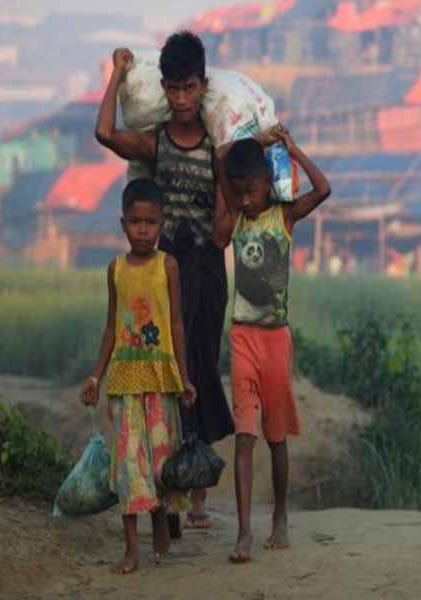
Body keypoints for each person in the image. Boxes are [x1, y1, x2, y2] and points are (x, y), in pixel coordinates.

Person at [95, 31, 234, 532]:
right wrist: (116, 74)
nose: (179, 100)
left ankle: (195, 491)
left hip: (206, 271)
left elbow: (222, 229)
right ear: (164, 87)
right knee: (162, 372)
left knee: (197, 369)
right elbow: (105, 133)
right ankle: (164, 490)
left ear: (203, 87)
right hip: (161, 275)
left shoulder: (218, 149)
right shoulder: (155, 142)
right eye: (172, 89)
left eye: (189, 89)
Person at [212, 126, 331, 563]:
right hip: (242, 334)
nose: (245, 199)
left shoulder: (284, 216)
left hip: (276, 339)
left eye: (252, 190)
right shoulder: (236, 219)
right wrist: (257, 142)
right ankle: (244, 533)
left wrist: (291, 150)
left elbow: (324, 188)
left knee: (275, 437)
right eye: (238, 192)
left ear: (268, 182)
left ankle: (280, 514)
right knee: (245, 437)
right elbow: (218, 163)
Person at [79, 178, 196, 574]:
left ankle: (161, 520)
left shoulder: (169, 266)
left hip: (162, 380)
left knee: (161, 464)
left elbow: (176, 324)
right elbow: (111, 328)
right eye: (135, 222)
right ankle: (131, 549)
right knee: (128, 465)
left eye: (150, 222)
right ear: (122, 223)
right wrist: (96, 377)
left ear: (161, 224)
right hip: (125, 382)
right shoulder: (115, 270)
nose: (142, 230)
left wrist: (184, 378)